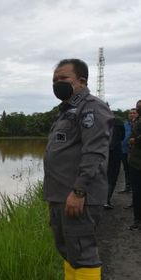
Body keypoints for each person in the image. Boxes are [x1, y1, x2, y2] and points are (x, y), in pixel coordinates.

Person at [43, 59, 114, 280]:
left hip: (77, 196)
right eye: (54, 80)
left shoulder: (92, 107)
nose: (57, 83)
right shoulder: (66, 111)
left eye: (63, 79)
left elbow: (94, 153)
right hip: (61, 196)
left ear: (81, 81)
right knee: (69, 251)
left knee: (82, 252)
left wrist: (79, 191)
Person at [103, 116, 124, 209]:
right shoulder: (118, 121)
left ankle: (101, 200)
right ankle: (106, 200)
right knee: (112, 177)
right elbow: (122, 137)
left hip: (102, 151)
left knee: (103, 176)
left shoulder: (99, 120)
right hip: (115, 152)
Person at [127, 100, 141, 230]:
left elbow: (133, 139)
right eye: (137, 107)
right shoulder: (136, 122)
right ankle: (137, 220)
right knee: (136, 192)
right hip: (135, 162)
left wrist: (135, 140)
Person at [118, 108, 138, 193]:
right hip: (124, 150)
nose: (132, 114)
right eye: (130, 113)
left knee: (134, 171)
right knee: (126, 170)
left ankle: (135, 189)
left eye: (134, 113)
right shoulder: (125, 124)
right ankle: (127, 187)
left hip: (134, 153)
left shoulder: (138, 125)